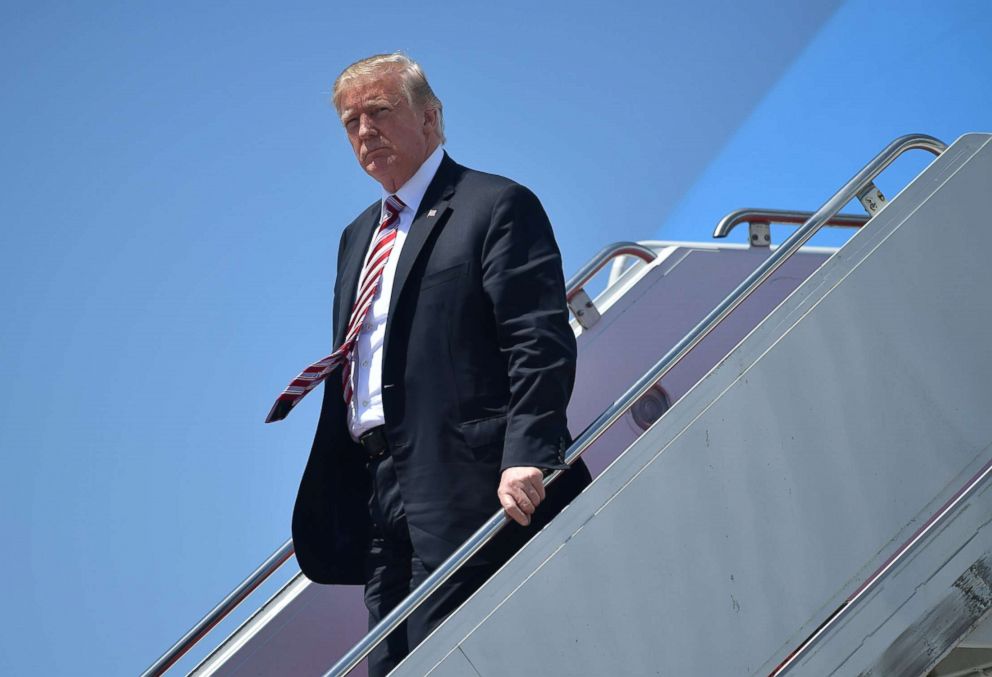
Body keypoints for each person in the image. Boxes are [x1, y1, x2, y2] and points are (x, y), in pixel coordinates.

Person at [267, 53, 591, 676]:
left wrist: (529, 452)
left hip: (468, 479)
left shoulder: (495, 204)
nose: (364, 131)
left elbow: (538, 339)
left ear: (431, 117)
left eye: (380, 112)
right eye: (350, 121)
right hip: (378, 493)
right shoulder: (358, 235)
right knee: (388, 662)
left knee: (453, 654)